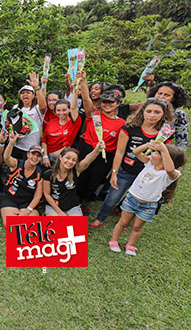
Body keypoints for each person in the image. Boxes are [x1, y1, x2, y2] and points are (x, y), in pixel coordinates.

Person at [90, 99, 173, 227]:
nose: (152, 115)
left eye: (157, 112)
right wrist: (114, 173)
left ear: (163, 114)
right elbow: (120, 152)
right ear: (142, 111)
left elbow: (164, 157)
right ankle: (100, 218)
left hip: (146, 175)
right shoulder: (129, 128)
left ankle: (130, 220)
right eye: (149, 111)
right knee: (112, 198)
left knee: (139, 199)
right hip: (125, 172)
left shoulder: (165, 134)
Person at [108, 142, 185, 256]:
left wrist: (163, 149)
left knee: (137, 227)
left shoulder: (171, 173)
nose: (152, 154)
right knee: (123, 222)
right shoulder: (149, 163)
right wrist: (148, 145)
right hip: (132, 199)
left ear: (165, 158)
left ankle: (130, 245)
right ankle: (113, 241)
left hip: (148, 205)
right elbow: (135, 152)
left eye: (156, 153)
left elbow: (169, 169)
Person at [75, 70, 126, 213]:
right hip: (87, 149)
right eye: (104, 102)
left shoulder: (122, 124)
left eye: (111, 102)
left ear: (118, 103)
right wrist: (83, 81)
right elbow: (86, 100)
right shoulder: (94, 114)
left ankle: (86, 200)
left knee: (95, 178)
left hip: (105, 155)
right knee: (81, 174)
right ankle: (76, 197)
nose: (107, 105)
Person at [43, 142, 104, 216]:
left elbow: (87, 160)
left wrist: (97, 150)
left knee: (72, 227)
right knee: (58, 224)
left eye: (74, 160)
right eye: (67, 158)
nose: (70, 162)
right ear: (60, 157)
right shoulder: (48, 174)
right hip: (54, 206)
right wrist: (60, 212)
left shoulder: (76, 171)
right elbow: (47, 194)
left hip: (72, 206)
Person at [0, 131, 43, 226]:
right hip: (10, 198)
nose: (35, 157)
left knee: (33, 225)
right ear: (28, 154)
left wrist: (28, 210)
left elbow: (37, 196)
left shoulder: (39, 172)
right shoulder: (17, 164)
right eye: (33, 154)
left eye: (38, 156)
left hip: (27, 202)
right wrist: (11, 143)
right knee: (10, 225)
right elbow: (6, 158)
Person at [41, 88, 82, 168]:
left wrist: (75, 91)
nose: (61, 113)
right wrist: (45, 156)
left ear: (69, 110)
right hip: (48, 158)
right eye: (58, 110)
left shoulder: (73, 123)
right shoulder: (51, 122)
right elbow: (44, 140)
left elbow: (74, 108)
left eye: (64, 110)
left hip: (62, 159)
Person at [146, 81, 189, 148]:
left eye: (167, 95)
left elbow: (182, 141)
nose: (161, 97)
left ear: (174, 98)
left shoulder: (179, 115)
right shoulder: (146, 109)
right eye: (159, 93)